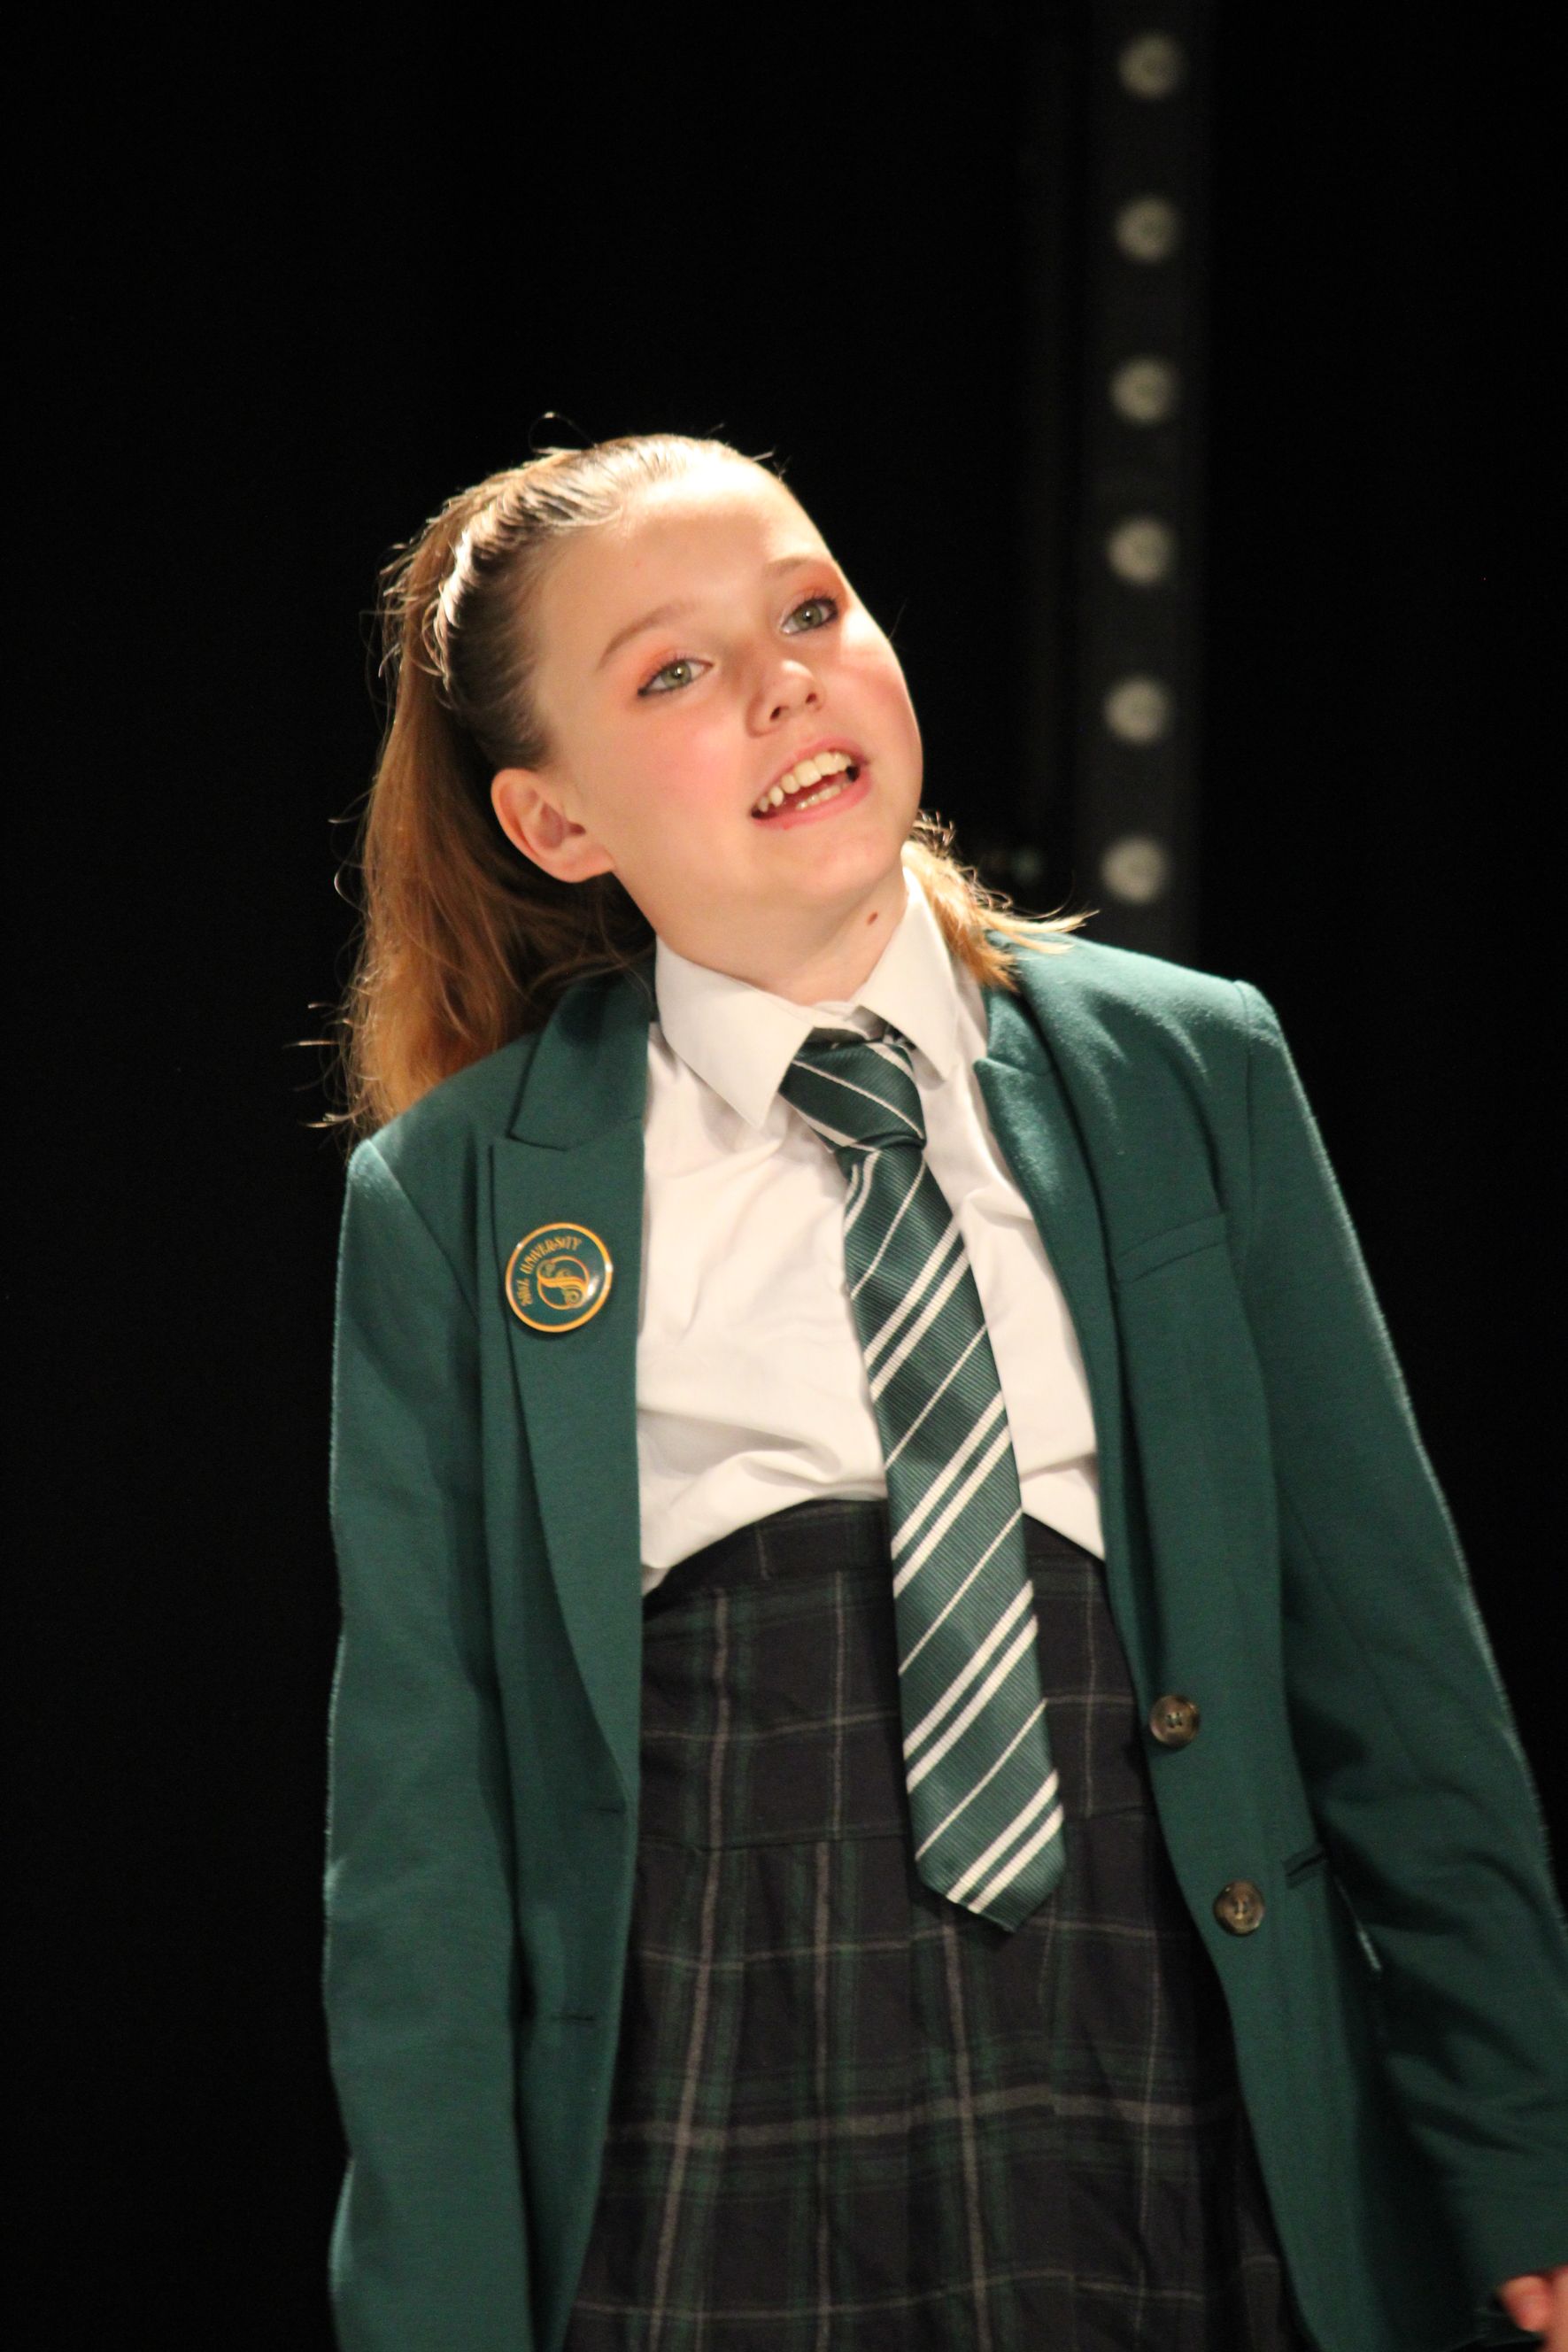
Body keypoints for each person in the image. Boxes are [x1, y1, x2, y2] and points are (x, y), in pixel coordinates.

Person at [319, 431, 1567, 2352]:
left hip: (1151, 2040)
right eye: (673, 671)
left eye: (810, 608)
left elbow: (1392, 1662)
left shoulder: (1185, 1071)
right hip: (712, 2076)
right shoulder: (466, 1193)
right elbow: (420, 1824)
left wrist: (1522, 2153)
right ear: (555, 821)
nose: (783, 678)